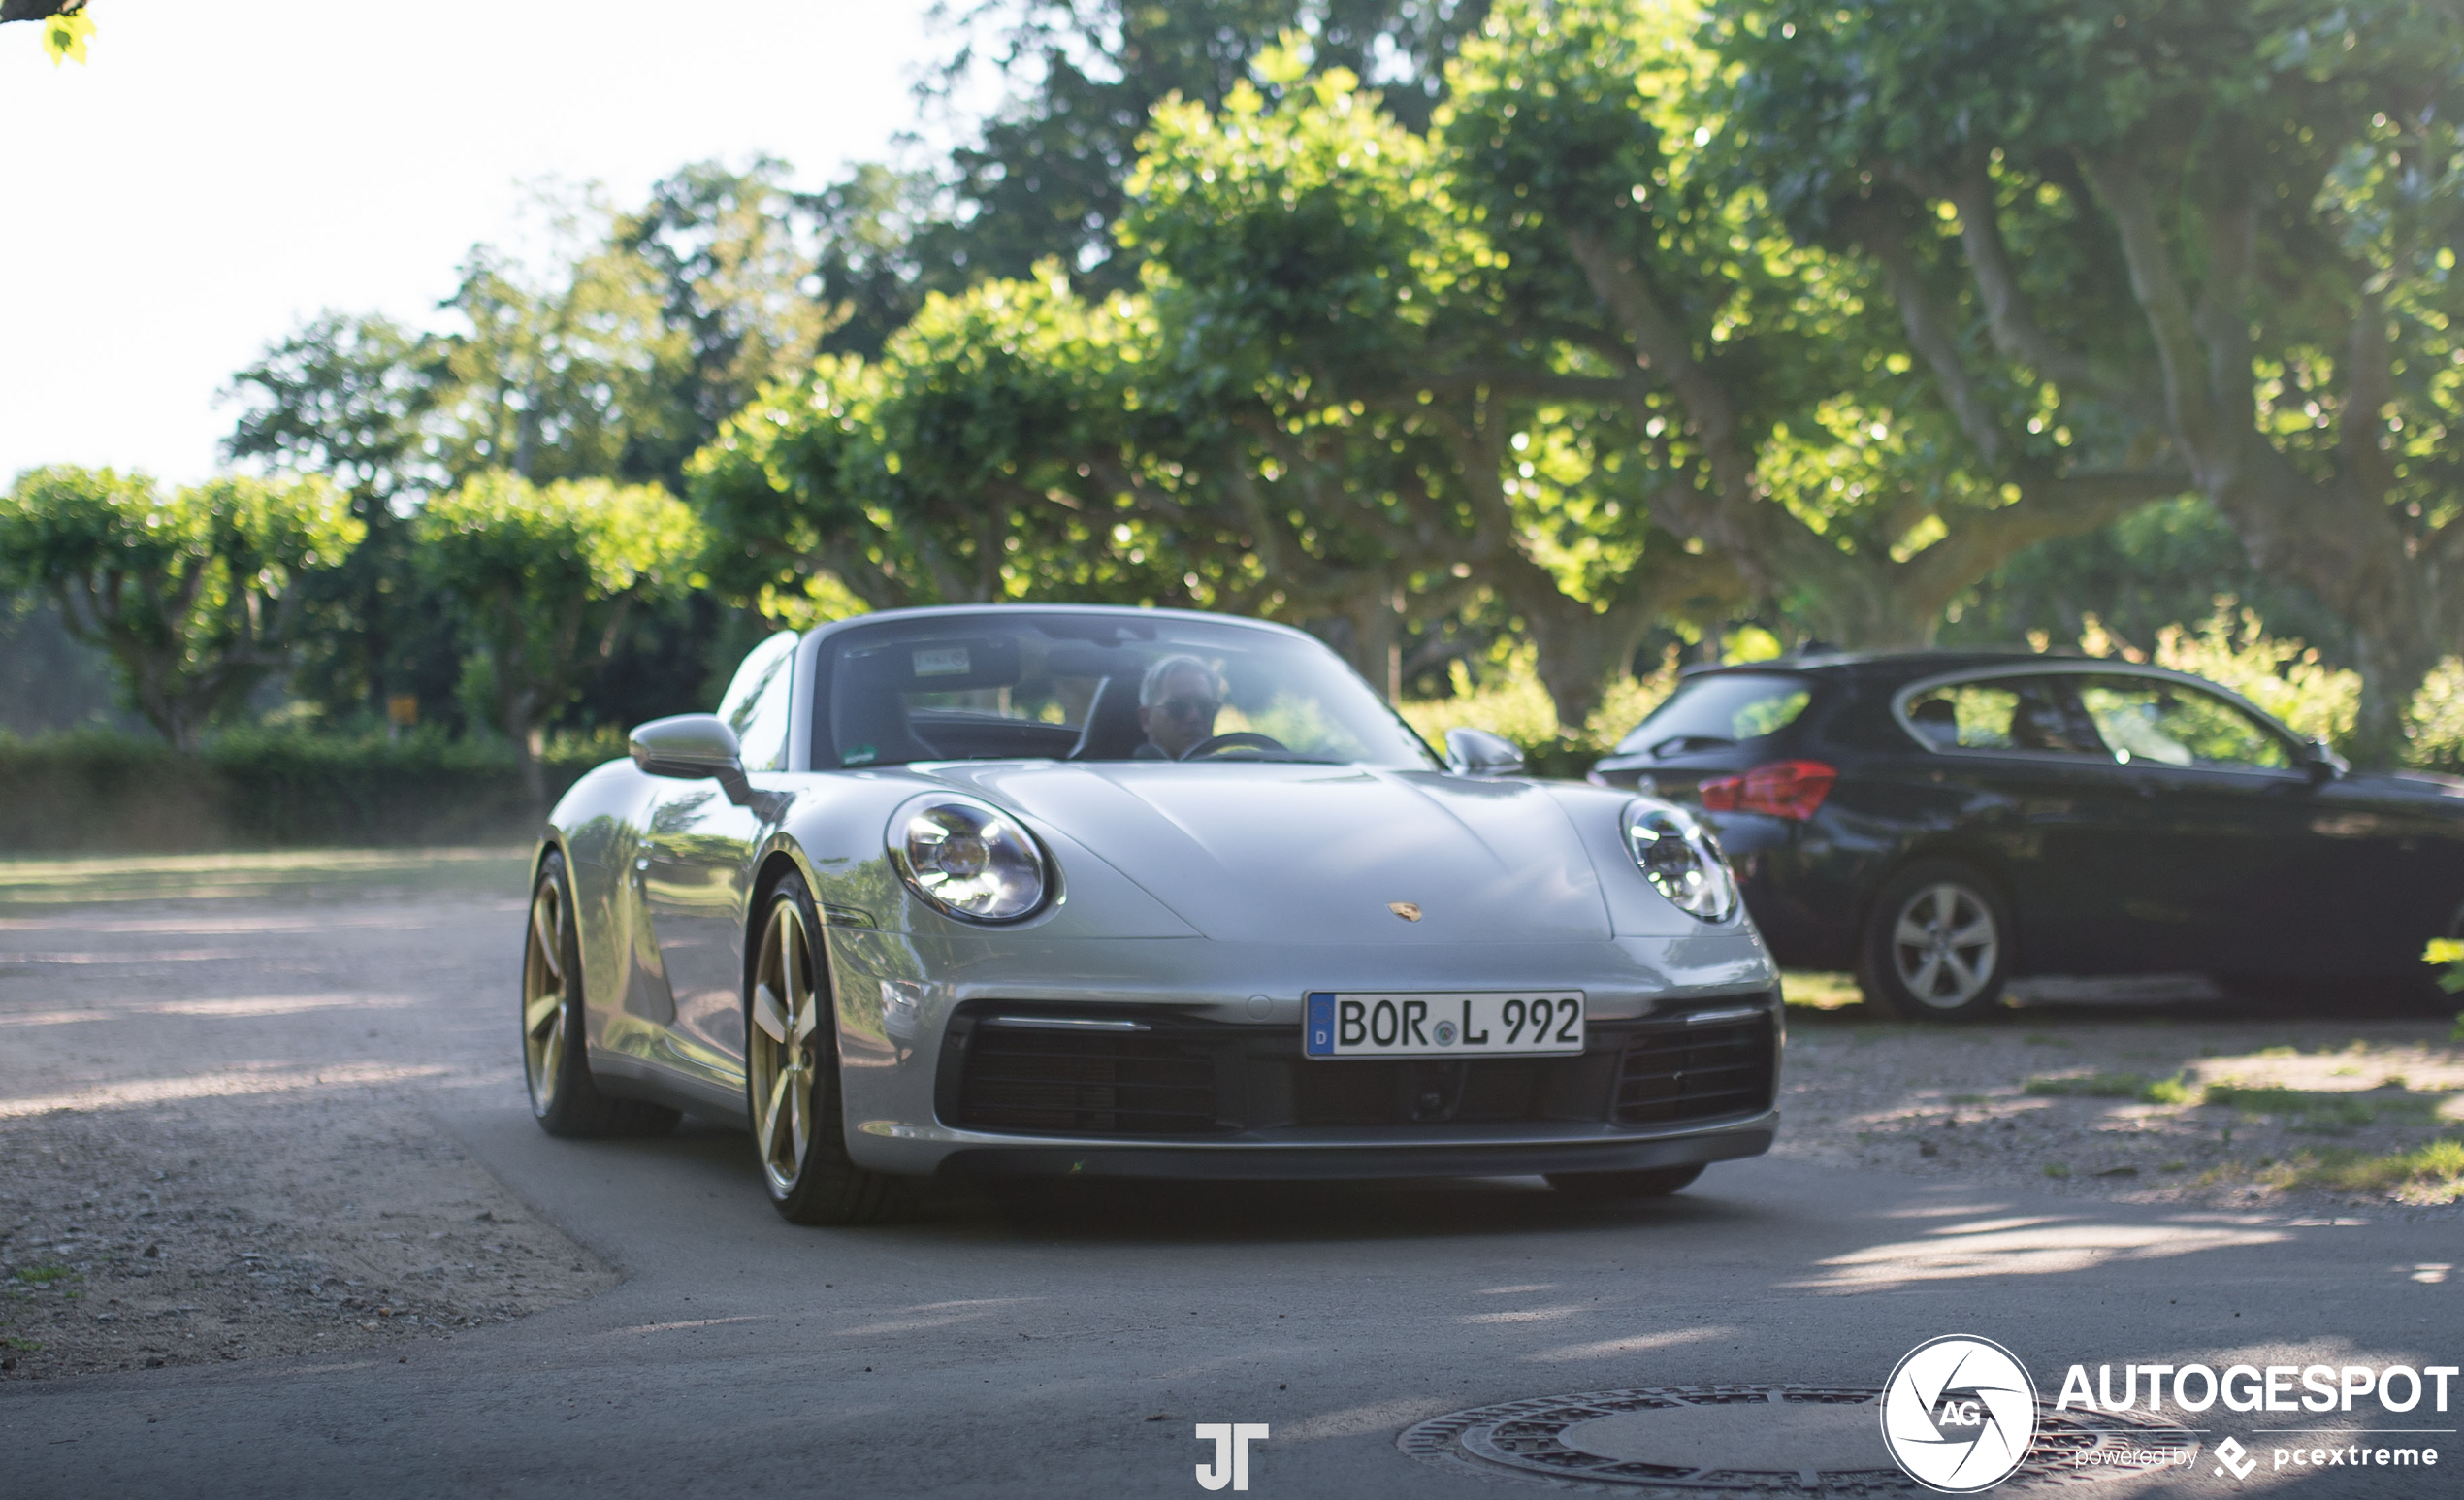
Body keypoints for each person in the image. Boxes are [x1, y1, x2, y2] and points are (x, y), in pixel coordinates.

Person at [1134, 655, 1225, 759]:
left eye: (1206, 707)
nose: (1194, 717)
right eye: (1178, 706)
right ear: (1145, 719)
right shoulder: (1121, 773)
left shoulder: (1238, 771)